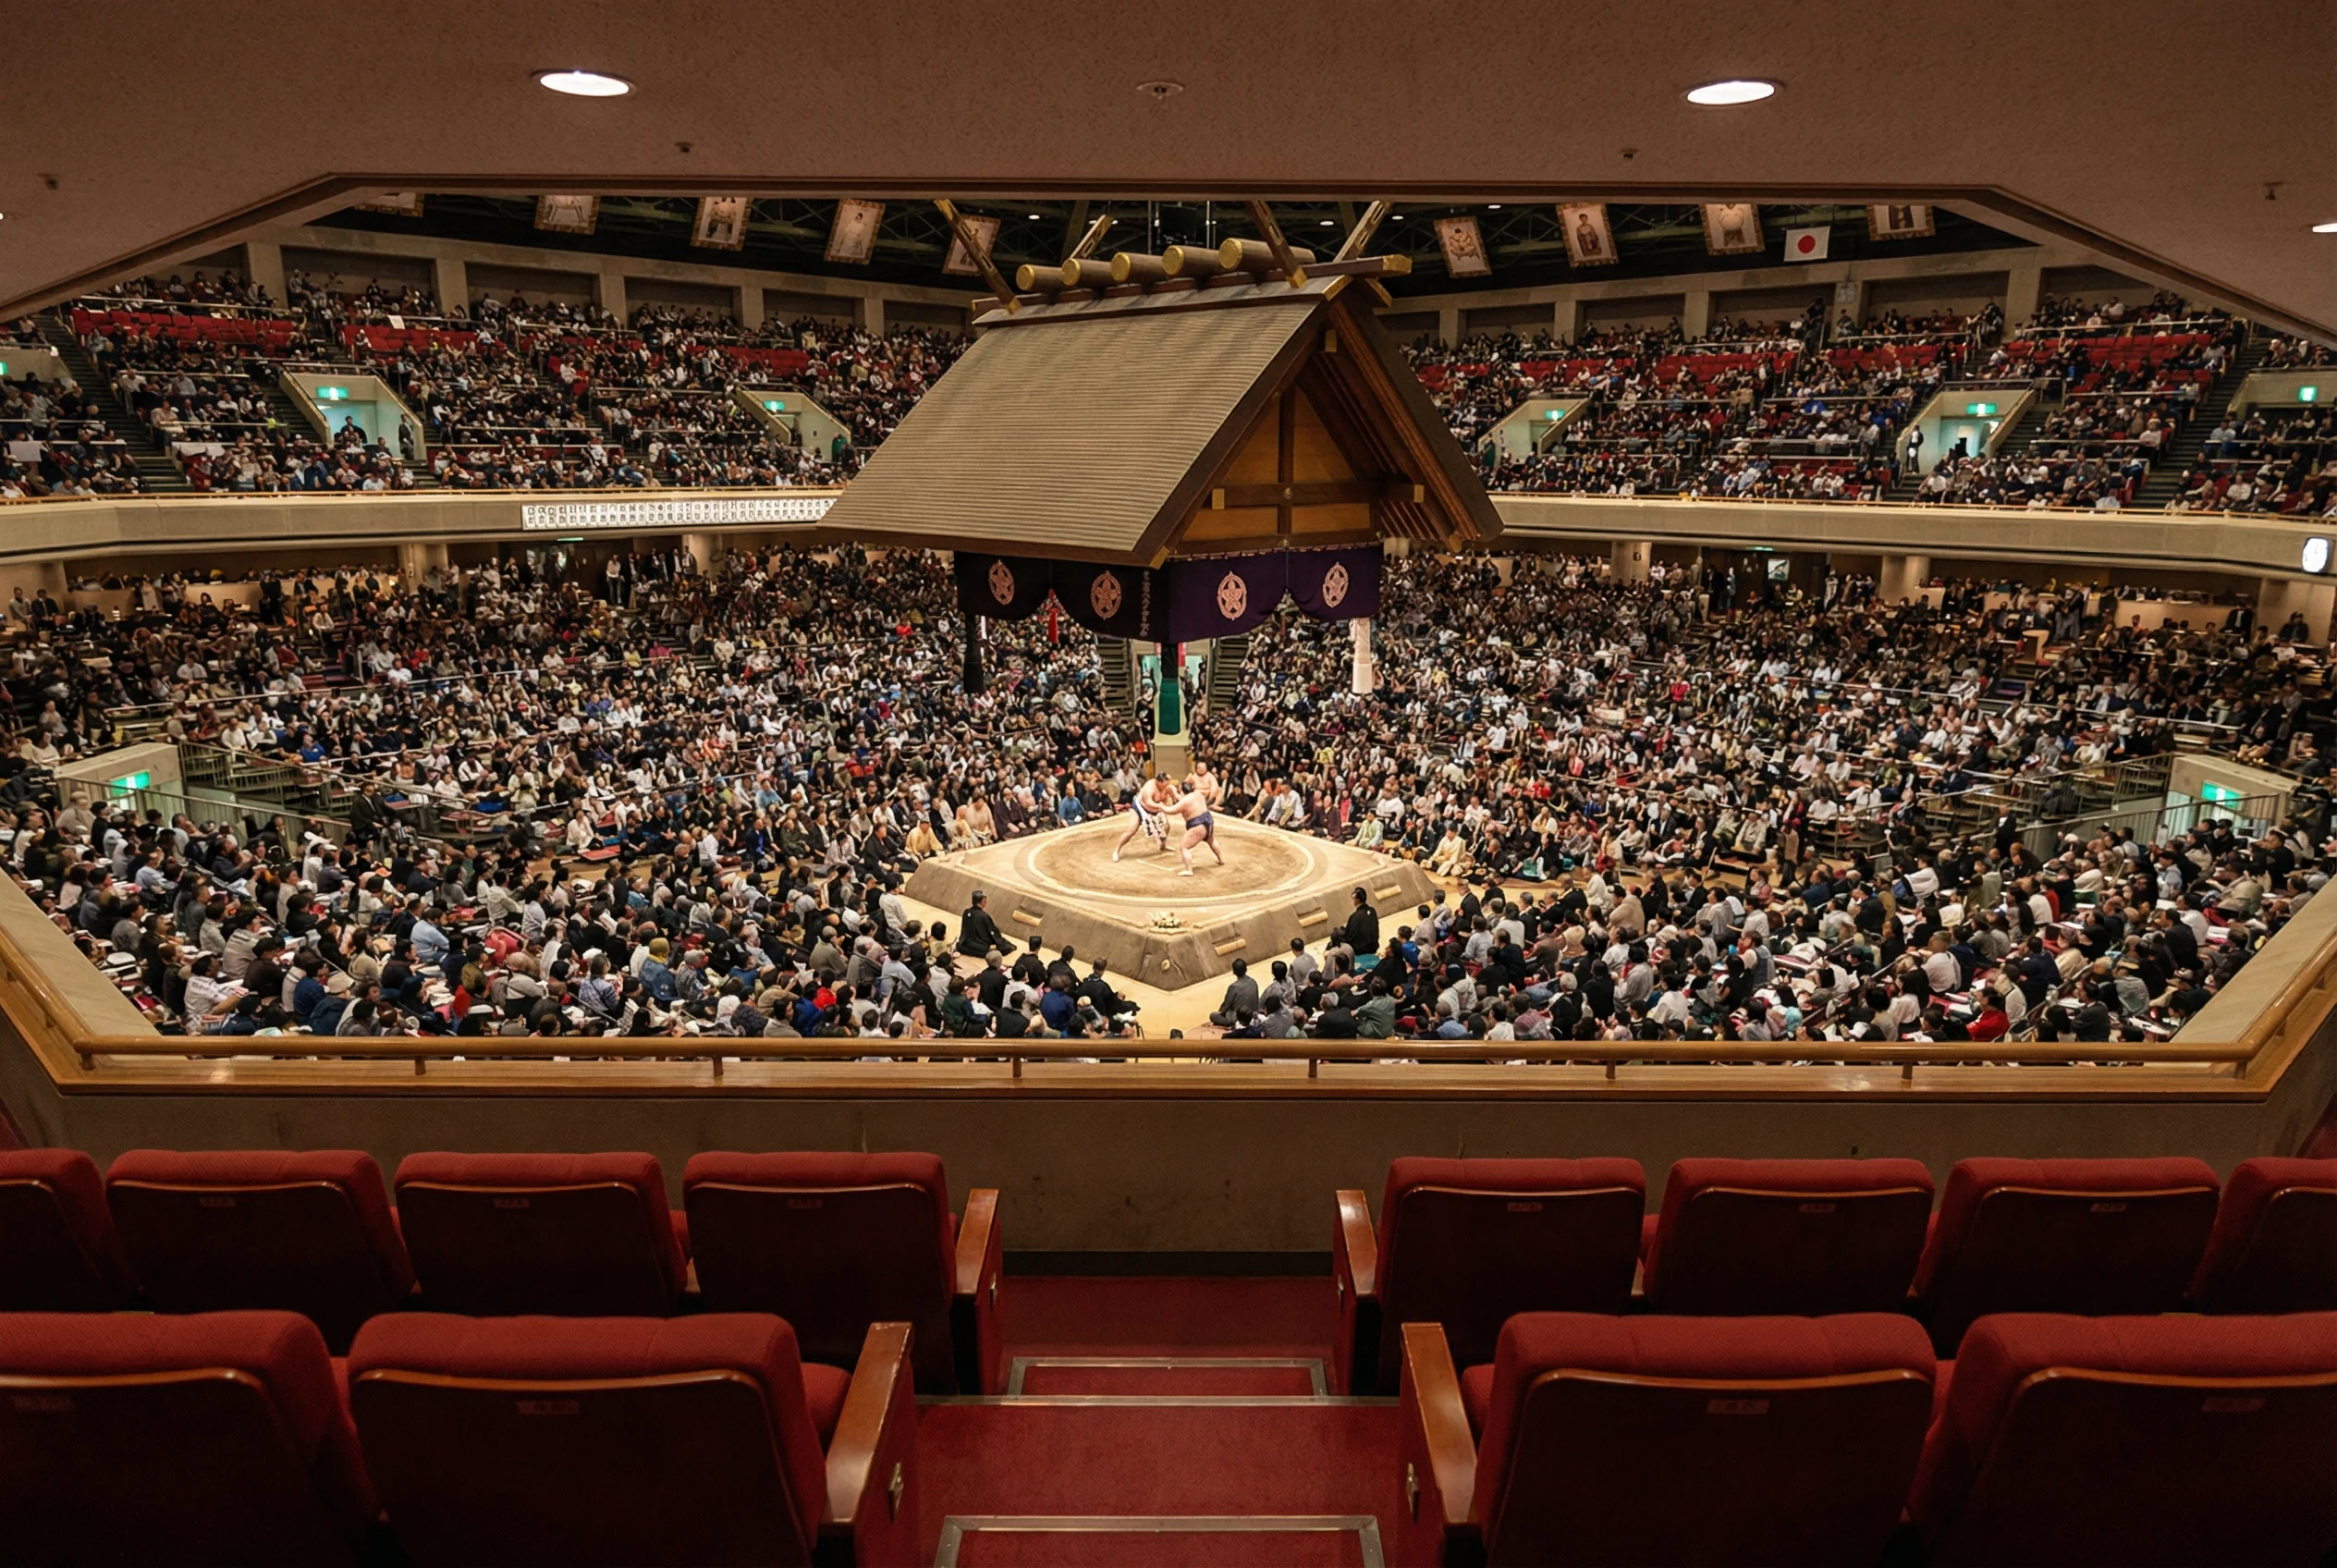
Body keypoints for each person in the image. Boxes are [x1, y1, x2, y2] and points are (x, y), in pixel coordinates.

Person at [1112, 772, 1181, 863]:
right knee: (1131, 831)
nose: (1167, 785)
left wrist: (1184, 800)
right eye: (1165, 783)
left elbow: (1177, 797)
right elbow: (1149, 802)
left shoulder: (1169, 787)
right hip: (1140, 809)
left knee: (1167, 826)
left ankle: (1163, 845)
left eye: (1168, 782)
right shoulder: (1149, 787)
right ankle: (1116, 851)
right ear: (1159, 782)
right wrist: (1161, 806)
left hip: (1157, 810)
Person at [1170, 785, 1226, 877]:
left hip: (1197, 825)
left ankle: (1189, 870)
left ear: (1183, 792)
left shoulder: (1185, 801)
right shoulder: (1198, 794)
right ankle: (1221, 860)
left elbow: (1171, 810)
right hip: (1208, 821)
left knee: (1184, 847)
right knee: (1211, 840)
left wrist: (1160, 807)